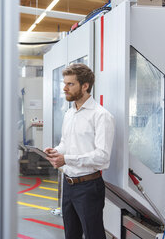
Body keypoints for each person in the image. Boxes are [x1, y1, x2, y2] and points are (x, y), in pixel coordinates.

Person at [44, 63, 115, 239]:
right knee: (71, 235)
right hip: (68, 185)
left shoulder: (101, 115)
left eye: (70, 84)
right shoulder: (70, 113)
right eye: (64, 83)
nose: (64, 88)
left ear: (85, 86)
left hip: (89, 187)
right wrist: (55, 152)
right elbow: (65, 143)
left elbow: (102, 157)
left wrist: (66, 159)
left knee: (93, 235)